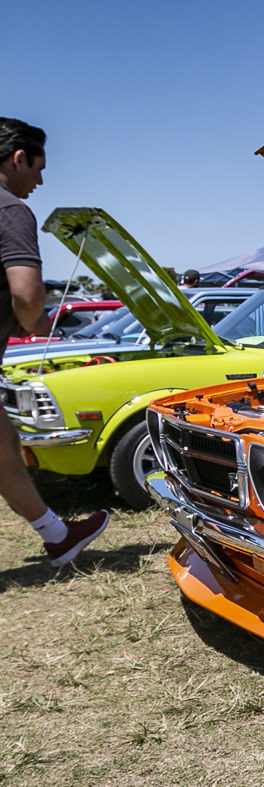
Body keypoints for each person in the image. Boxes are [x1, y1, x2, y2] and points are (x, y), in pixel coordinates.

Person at [0, 117, 108, 567]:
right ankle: (58, 535)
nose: (40, 180)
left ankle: (58, 535)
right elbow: (27, 295)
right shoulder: (9, 209)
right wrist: (40, 323)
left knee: (4, 442)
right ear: (19, 158)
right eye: (39, 168)